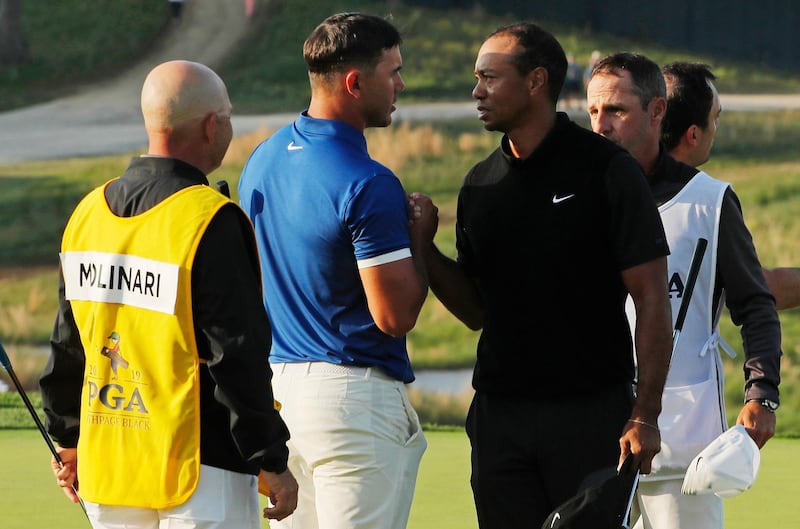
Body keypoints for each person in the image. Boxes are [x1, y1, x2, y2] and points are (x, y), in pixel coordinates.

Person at [408, 22, 673, 529]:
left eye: (489, 77)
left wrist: (644, 414)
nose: (476, 91)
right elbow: (475, 312)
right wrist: (427, 250)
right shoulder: (479, 184)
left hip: (591, 414)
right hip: (499, 417)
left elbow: (652, 299)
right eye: (476, 78)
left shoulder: (607, 170)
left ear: (535, 81)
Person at [39, 59, 298, 529]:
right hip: (200, 466)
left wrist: (68, 437)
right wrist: (270, 459)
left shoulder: (87, 214)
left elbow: (68, 345)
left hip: (108, 462)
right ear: (211, 126)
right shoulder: (209, 218)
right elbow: (236, 356)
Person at [237, 13, 431, 529]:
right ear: (354, 82)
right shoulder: (368, 182)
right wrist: (422, 241)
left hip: (280, 392)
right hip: (353, 402)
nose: (400, 85)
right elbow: (395, 316)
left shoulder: (262, 159)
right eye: (392, 72)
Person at [586, 53, 782, 529]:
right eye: (593, 112)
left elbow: (755, 302)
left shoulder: (711, 201)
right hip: (588, 437)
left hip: (681, 450)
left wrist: (762, 394)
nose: (600, 125)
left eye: (614, 111)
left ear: (655, 113)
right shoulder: (581, 194)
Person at [661, 61, 800, 311]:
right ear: (693, 135)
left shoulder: (621, 185)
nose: (716, 128)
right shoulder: (710, 202)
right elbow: (762, 287)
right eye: (715, 118)